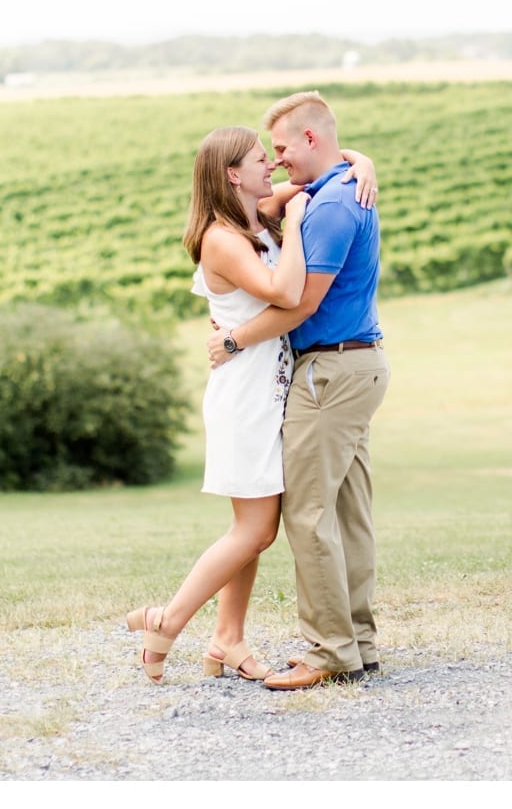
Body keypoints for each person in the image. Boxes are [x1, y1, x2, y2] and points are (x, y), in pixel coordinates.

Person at [125, 125, 376, 684]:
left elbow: (335, 160)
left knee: (254, 522)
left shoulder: (253, 214)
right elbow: (287, 294)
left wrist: (365, 164)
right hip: (245, 394)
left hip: (271, 386)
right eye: (262, 160)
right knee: (256, 529)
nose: (275, 168)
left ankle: (228, 639)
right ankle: (165, 621)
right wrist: (290, 230)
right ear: (232, 173)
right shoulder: (223, 237)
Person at [205, 91, 390, 690]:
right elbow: (325, 166)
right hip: (353, 365)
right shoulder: (338, 189)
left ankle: (329, 651)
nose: (278, 161)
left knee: (309, 515)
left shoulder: (333, 205)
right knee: (346, 512)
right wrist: (361, 159)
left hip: (329, 372)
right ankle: (356, 642)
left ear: (311, 140)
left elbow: (300, 302)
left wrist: (233, 341)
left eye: (282, 148)